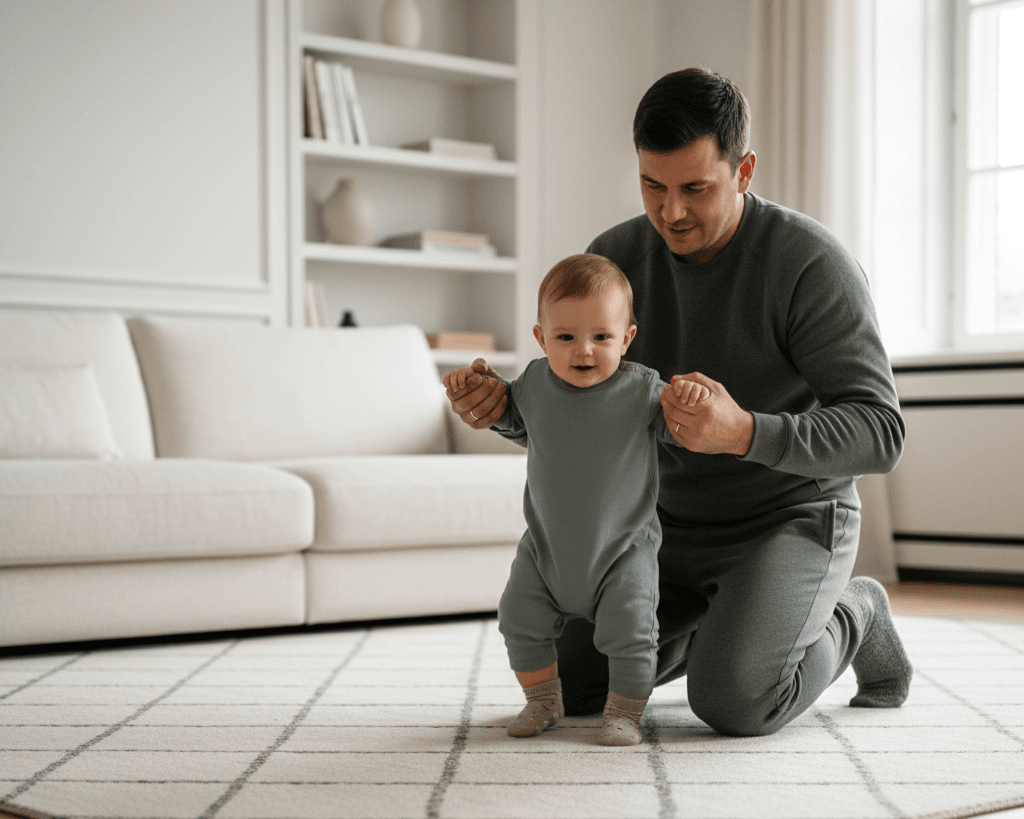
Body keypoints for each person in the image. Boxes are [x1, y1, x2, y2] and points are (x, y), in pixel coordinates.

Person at [446, 67, 912, 738]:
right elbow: (586, 411)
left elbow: (880, 431)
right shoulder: (614, 260)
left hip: (788, 517)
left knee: (736, 701)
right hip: (656, 527)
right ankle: (730, 630)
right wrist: (503, 412)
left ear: (743, 170)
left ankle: (854, 612)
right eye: (652, 186)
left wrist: (744, 431)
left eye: (696, 188)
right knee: (571, 682)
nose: (671, 213)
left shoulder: (810, 264)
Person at [444, 253, 708, 746]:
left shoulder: (644, 390)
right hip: (546, 549)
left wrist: (692, 401)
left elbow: (684, 428)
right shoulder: (532, 384)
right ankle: (542, 701)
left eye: (601, 337)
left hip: (623, 550)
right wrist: (476, 387)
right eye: (565, 337)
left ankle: (624, 714)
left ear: (626, 338)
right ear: (541, 338)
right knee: (518, 619)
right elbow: (505, 413)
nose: (583, 350)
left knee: (631, 633)